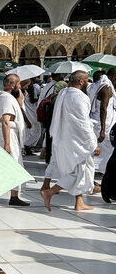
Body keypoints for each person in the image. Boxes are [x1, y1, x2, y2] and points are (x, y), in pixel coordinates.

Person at [41, 71, 99, 211]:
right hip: (78, 142)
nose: (87, 83)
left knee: (78, 170)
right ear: (81, 82)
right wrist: (93, 143)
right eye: (86, 80)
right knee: (78, 172)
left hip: (63, 138)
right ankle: (50, 192)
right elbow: (83, 123)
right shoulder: (80, 97)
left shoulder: (63, 93)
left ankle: (79, 202)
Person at [0, 74, 29, 206]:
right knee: (14, 163)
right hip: (6, 134)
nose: (20, 86)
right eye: (18, 84)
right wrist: (7, 144)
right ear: (12, 85)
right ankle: (14, 196)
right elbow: (6, 121)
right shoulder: (7, 99)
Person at [88, 68, 116, 177]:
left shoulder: (98, 85)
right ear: (114, 77)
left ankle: (98, 168)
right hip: (103, 123)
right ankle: (100, 169)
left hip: (100, 121)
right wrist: (103, 130)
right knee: (108, 147)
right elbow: (103, 109)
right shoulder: (107, 88)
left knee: (101, 147)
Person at [23, 77, 42, 155]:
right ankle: (27, 145)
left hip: (28, 114)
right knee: (37, 131)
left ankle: (28, 147)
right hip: (33, 114)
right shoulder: (31, 91)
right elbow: (33, 100)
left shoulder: (26, 95)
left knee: (31, 132)